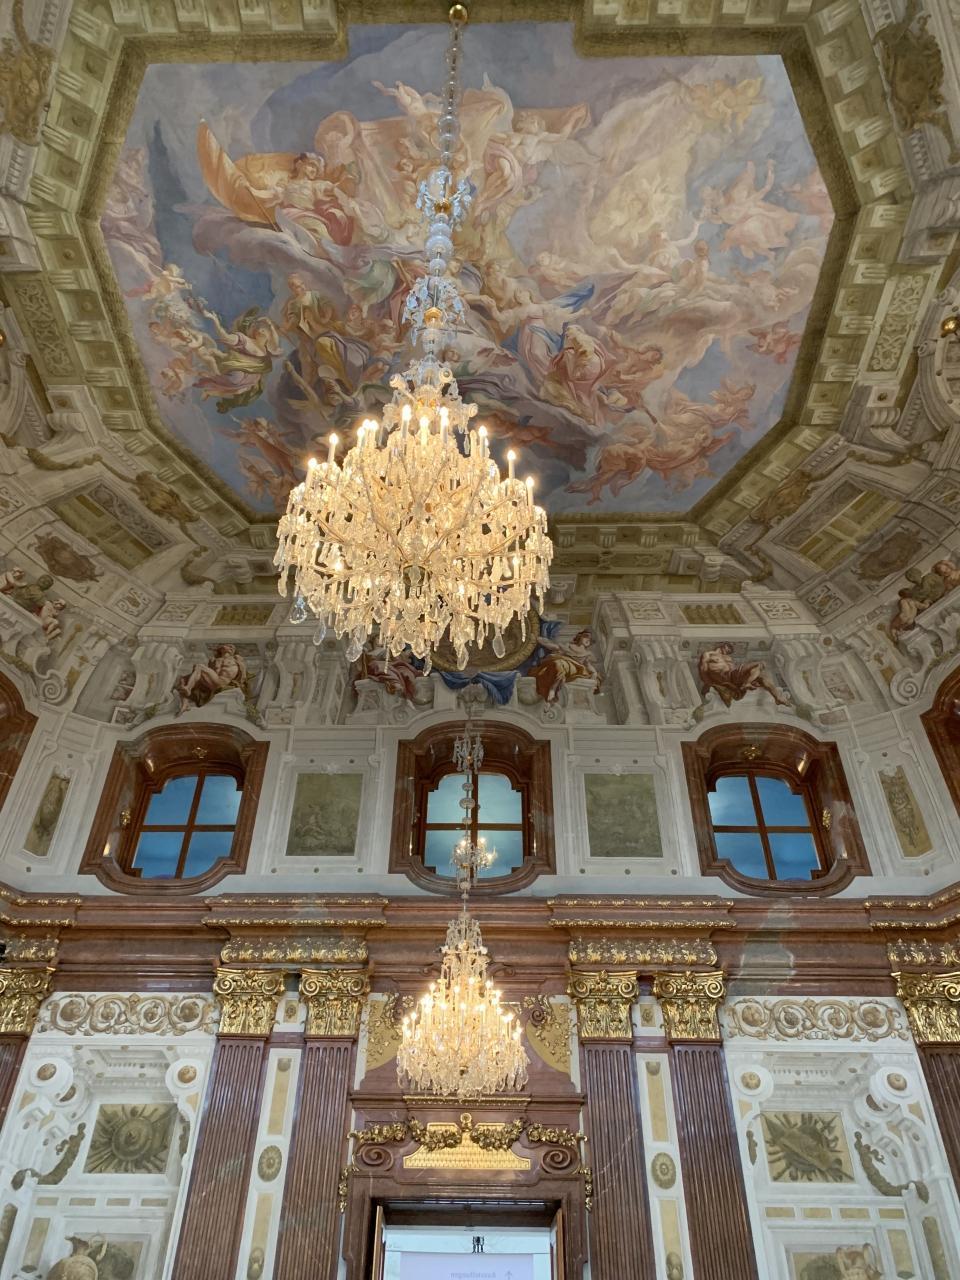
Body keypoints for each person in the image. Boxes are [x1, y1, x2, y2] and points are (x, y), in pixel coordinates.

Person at [698, 642, 789, 707]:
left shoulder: (727, 657)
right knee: (759, 666)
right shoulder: (708, 654)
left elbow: (733, 667)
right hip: (727, 678)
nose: (729, 651)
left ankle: (777, 697)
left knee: (761, 674)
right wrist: (709, 683)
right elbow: (703, 671)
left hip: (734, 674)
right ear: (724, 645)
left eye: (730, 651)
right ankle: (747, 683)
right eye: (729, 649)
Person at [526, 629, 601, 704]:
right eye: (586, 637)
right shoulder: (569, 646)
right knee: (556, 663)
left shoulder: (587, 653)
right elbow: (554, 647)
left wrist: (594, 674)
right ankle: (551, 688)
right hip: (563, 662)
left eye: (590, 640)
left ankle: (553, 689)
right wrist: (538, 639)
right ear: (580, 637)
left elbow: (588, 665)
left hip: (575, 668)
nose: (588, 640)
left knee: (560, 664)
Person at [176, 644, 247, 713]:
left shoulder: (235, 659)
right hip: (212, 681)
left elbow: (243, 674)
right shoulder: (214, 660)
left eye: (232, 647)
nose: (231, 648)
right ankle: (185, 704)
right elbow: (208, 672)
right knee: (183, 679)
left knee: (199, 666)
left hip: (222, 682)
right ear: (221, 649)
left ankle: (188, 688)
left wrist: (241, 683)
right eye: (229, 646)